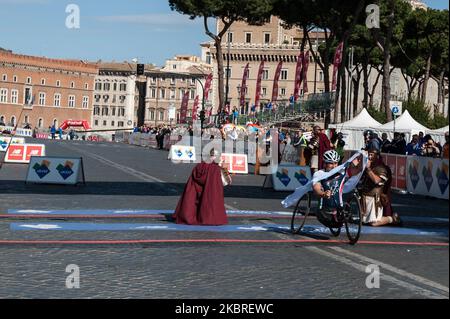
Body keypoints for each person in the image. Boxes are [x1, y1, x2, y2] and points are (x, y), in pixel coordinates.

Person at [172, 149, 228, 226]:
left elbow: (195, 177)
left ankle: (189, 215)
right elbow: (216, 186)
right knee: (209, 199)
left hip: (196, 187)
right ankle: (208, 218)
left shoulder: (199, 165)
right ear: (216, 156)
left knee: (193, 201)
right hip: (208, 189)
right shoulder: (215, 169)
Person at [358, 148, 401, 227]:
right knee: (364, 220)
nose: (369, 157)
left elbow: (376, 180)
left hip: (374, 197)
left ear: (377, 156)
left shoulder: (382, 168)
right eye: (368, 155)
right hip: (365, 196)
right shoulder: (368, 165)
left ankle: (392, 219)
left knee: (373, 223)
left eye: (371, 155)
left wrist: (368, 169)